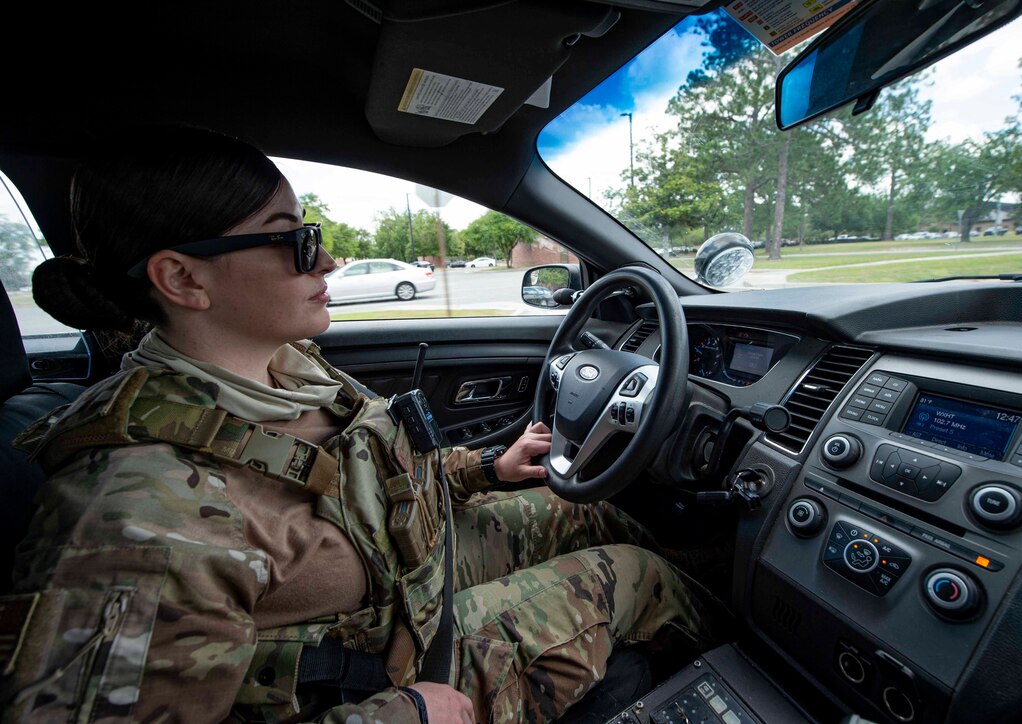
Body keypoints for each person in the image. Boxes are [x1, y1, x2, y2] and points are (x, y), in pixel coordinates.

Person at [1, 126, 727, 723]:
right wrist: (405, 715)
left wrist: (483, 471)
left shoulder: (289, 367)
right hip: (387, 667)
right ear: (183, 279)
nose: (328, 259)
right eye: (291, 240)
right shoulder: (136, 518)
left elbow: (366, 479)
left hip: (411, 572)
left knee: (583, 509)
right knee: (634, 577)